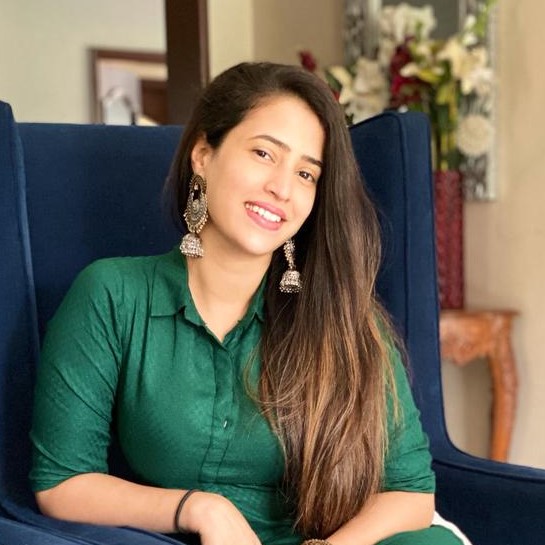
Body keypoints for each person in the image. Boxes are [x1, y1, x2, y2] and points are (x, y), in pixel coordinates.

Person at [30, 62, 463, 545]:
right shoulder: (112, 295)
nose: (282, 188)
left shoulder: (343, 319)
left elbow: (410, 492)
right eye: (263, 153)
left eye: (306, 173)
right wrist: (200, 509)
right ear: (203, 155)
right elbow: (62, 483)